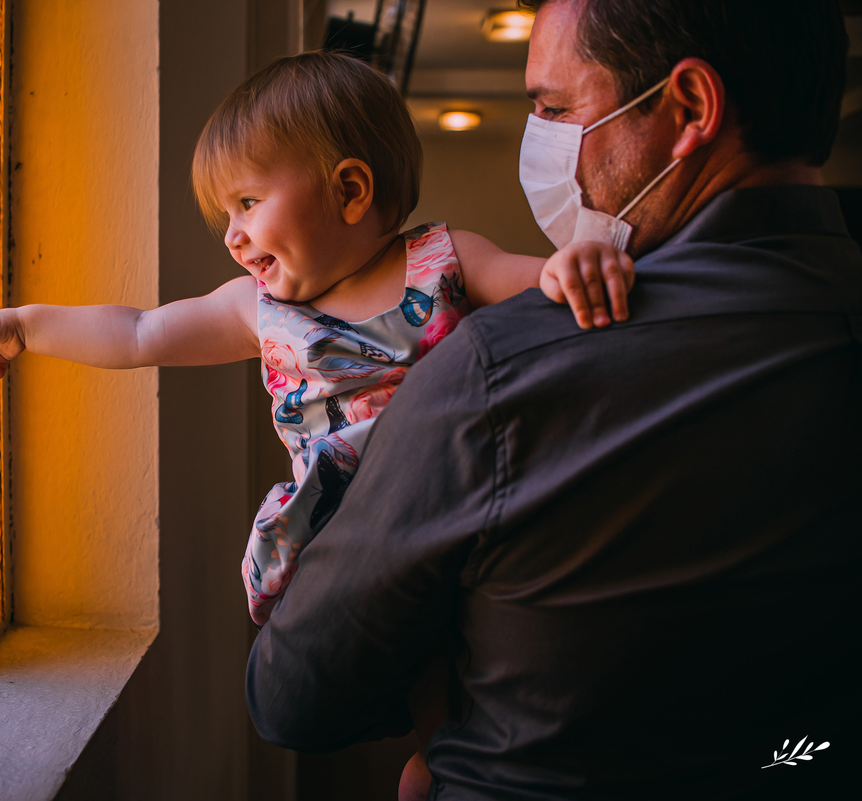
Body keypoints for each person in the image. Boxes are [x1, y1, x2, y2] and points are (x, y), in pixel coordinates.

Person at [246, 2, 862, 800]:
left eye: (553, 107)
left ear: (689, 110)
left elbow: (295, 695)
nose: (537, 135)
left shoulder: (503, 372)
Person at [0, 52, 633, 628]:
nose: (232, 234)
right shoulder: (254, 310)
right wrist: (25, 324)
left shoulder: (446, 260)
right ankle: (430, 741)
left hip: (463, 494)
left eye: (248, 203)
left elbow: (541, 286)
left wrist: (573, 258)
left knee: (485, 617)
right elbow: (139, 331)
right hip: (344, 532)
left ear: (350, 191)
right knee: (409, 638)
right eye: (225, 212)